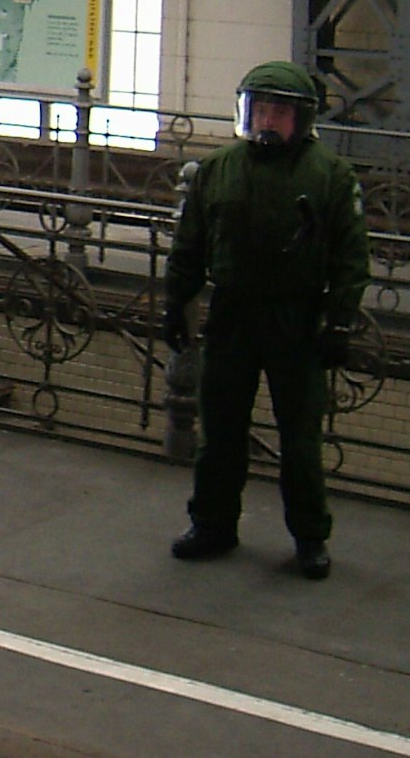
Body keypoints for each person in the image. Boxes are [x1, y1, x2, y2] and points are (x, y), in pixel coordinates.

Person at [163, 60, 370, 581]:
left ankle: (309, 536)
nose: (268, 121)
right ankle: (212, 524)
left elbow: (351, 258)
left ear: (300, 120)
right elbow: (189, 245)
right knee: (221, 430)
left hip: (296, 317)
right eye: (260, 110)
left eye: (280, 112)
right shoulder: (219, 169)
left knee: (299, 438)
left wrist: (339, 323)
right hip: (232, 312)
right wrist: (176, 302)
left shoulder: (330, 176)